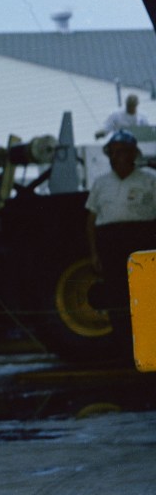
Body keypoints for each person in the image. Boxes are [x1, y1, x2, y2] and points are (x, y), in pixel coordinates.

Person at [86, 129, 156, 345]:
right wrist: (95, 253)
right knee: (116, 294)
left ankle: (148, 346)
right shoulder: (101, 183)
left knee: (145, 294)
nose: (118, 157)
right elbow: (91, 221)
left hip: (142, 239)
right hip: (110, 241)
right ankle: (124, 345)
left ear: (134, 154)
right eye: (113, 152)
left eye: (123, 152)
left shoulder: (150, 180)